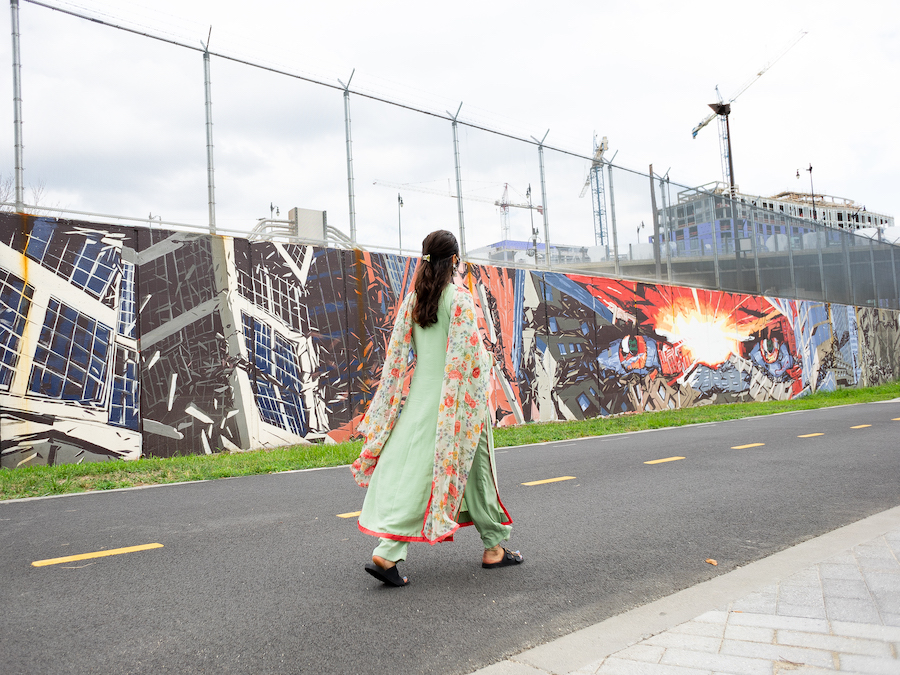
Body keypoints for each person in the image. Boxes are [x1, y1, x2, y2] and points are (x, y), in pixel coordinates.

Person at [351, 230, 522, 587]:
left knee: (468, 469)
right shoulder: (458, 299)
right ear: (455, 260)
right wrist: (487, 364)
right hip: (457, 404)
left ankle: (494, 545)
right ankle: (388, 550)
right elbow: (468, 359)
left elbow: (396, 356)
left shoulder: (415, 299)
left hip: (420, 401)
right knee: (433, 474)